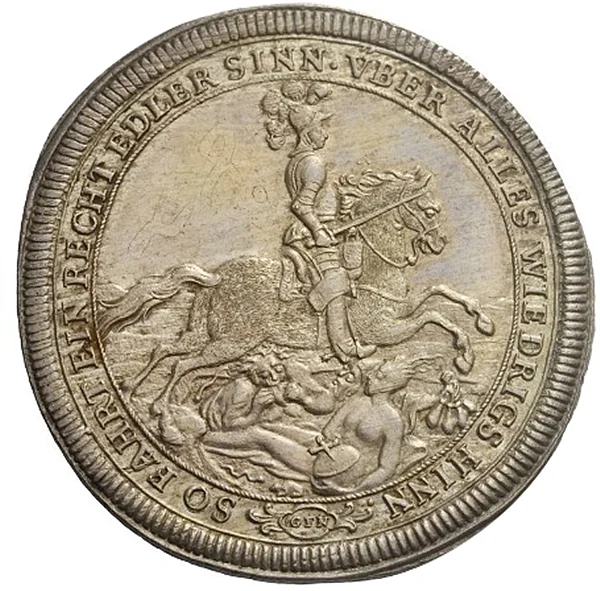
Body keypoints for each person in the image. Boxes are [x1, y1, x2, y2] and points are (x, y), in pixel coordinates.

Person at [260, 81, 376, 363]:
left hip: (313, 232)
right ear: (307, 132)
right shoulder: (314, 163)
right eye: (321, 127)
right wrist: (319, 231)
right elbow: (301, 205)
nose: (326, 133)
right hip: (312, 238)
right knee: (336, 283)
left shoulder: (299, 161)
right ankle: (344, 349)